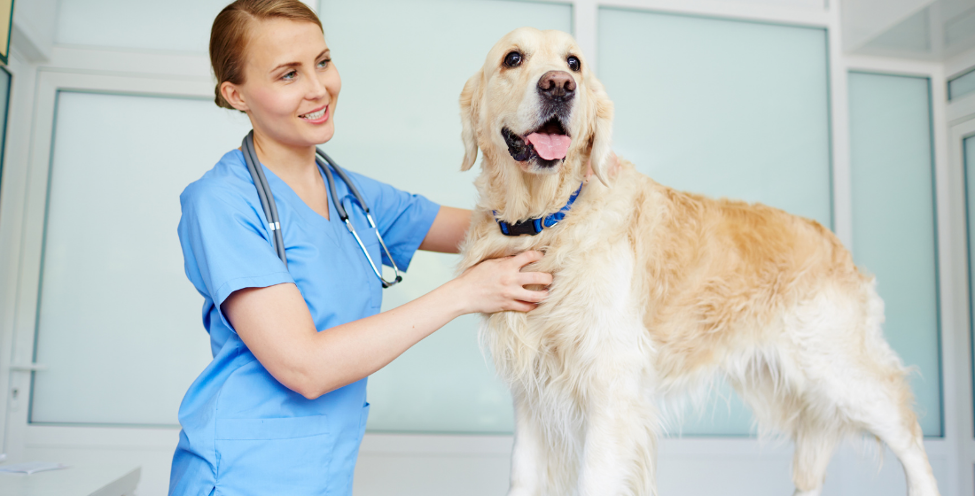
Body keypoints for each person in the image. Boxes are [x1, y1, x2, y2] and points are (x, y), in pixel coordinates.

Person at [168, 1, 552, 494]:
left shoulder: (352, 196)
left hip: (325, 474)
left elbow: (501, 230)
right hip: (240, 473)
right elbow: (304, 367)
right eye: (288, 75)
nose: (318, 88)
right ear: (235, 94)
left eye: (323, 62)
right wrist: (464, 293)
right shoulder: (220, 202)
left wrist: (565, 174)